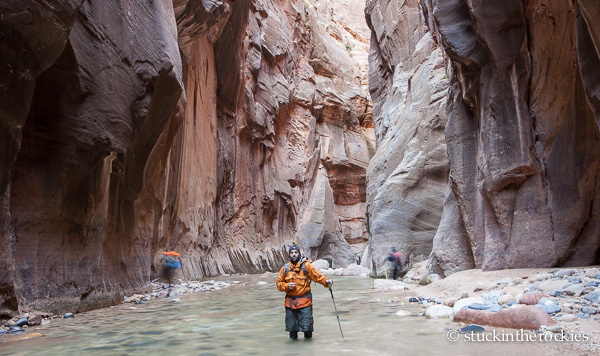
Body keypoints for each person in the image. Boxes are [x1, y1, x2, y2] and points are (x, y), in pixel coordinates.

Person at [276, 245, 332, 340]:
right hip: (290, 304)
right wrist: (287, 286)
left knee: (307, 329)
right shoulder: (285, 268)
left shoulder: (306, 266)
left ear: (299, 254)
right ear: (289, 255)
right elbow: (278, 284)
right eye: (292, 253)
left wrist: (327, 282)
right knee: (292, 330)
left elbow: (317, 276)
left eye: (296, 252)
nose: (294, 254)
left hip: (305, 302)